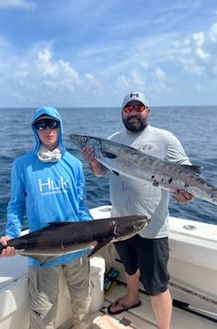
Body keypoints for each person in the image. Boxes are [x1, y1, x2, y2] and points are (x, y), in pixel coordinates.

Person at [82, 92, 194, 329]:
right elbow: (101, 172)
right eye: (128, 108)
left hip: (152, 225)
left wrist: (187, 196)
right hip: (120, 223)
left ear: (147, 111)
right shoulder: (112, 140)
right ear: (122, 113)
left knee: (157, 283)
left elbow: (188, 176)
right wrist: (93, 162)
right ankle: (131, 297)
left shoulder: (165, 139)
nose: (133, 112)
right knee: (129, 267)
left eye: (138, 107)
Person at [0, 106, 93, 329]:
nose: (48, 129)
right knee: (43, 316)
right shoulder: (22, 165)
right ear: (35, 130)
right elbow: (16, 205)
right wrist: (11, 234)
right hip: (42, 254)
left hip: (78, 252)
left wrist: (95, 230)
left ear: (60, 127)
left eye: (53, 124)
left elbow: (80, 206)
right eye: (41, 125)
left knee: (83, 306)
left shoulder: (74, 164)